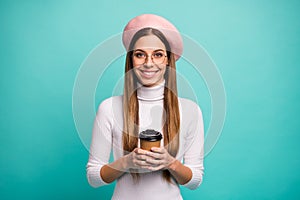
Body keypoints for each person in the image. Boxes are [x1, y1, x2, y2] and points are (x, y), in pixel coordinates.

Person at [86, 14, 204, 200]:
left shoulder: (190, 110)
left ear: (167, 59)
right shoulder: (108, 108)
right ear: (131, 59)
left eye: (157, 54)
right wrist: (126, 162)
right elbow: (94, 177)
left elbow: (195, 180)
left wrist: (170, 163)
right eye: (140, 54)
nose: (149, 63)